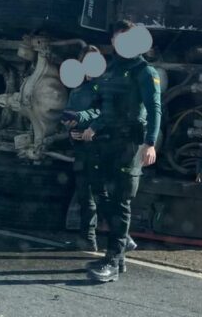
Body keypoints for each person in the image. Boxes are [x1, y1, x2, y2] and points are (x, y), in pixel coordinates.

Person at [82, 20, 161, 282]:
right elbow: (106, 105)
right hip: (106, 139)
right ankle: (122, 241)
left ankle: (113, 261)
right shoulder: (111, 69)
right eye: (118, 38)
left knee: (121, 200)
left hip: (130, 144)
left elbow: (154, 109)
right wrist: (94, 126)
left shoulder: (144, 71)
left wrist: (150, 143)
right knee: (97, 189)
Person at [63, 46, 136, 253]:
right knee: (84, 194)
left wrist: (91, 128)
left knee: (99, 194)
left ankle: (123, 237)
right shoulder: (77, 88)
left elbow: (105, 114)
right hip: (80, 146)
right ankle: (87, 238)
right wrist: (71, 129)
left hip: (99, 146)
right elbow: (70, 113)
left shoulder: (104, 87)